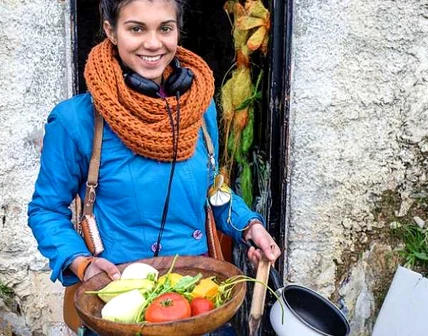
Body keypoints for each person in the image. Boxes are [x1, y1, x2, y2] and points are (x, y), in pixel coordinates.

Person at [27, 0, 281, 332]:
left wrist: (249, 226)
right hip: (122, 303)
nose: (153, 43)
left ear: (177, 31)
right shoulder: (75, 121)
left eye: (165, 28)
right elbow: (46, 210)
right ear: (111, 32)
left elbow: (212, 190)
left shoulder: (197, 108)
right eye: (136, 28)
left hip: (198, 298)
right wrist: (82, 264)